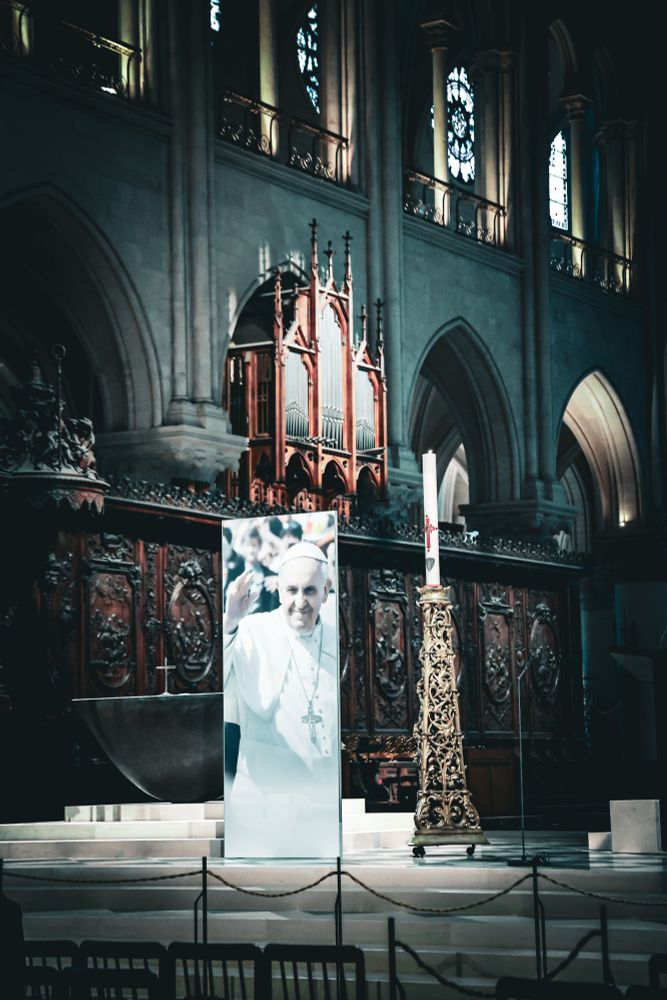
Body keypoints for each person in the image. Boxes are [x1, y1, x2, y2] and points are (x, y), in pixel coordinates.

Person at [223, 541, 340, 858]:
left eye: (310, 591)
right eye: (292, 590)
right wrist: (231, 621)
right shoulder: (253, 630)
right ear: (278, 590)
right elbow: (217, 674)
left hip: (317, 797)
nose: (300, 602)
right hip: (261, 797)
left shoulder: (334, 638)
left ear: (326, 591)